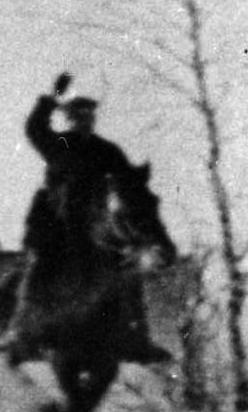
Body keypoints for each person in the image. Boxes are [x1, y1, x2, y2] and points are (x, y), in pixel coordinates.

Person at [19, 73, 172, 364]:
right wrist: (51, 98)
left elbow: (129, 184)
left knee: (129, 269)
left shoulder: (109, 150)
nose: (85, 121)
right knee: (40, 263)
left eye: (89, 116)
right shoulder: (60, 144)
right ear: (70, 119)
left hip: (96, 223)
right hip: (58, 219)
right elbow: (34, 129)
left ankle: (139, 338)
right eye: (79, 116)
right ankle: (22, 327)